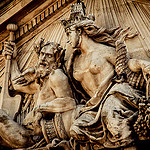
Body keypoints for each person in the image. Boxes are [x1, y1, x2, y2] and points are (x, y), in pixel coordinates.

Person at [62, 1, 150, 149]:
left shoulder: (104, 51)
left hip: (115, 94)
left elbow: (126, 65)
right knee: (76, 129)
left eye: (69, 33)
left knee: (110, 116)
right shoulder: (73, 62)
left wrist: (142, 64)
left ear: (80, 31)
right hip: (93, 105)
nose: (68, 39)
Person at [0, 39, 77, 149]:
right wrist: (12, 59)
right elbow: (17, 84)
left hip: (32, 137)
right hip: (26, 132)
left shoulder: (56, 76)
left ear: (57, 60)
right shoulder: (41, 82)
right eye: (42, 54)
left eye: (49, 56)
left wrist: (40, 108)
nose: (43, 59)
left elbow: (69, 102)